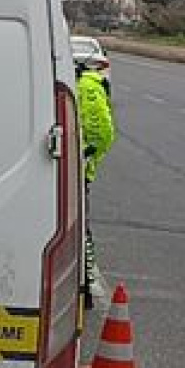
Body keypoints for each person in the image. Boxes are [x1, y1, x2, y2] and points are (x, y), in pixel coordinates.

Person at [77, 62, 115, 308]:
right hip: (75, 166)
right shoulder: (87, 83)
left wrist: (84, 155)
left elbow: (102, 133)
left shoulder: (86, 87)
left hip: (77, 169)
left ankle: (87, 285)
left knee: (81, 229)